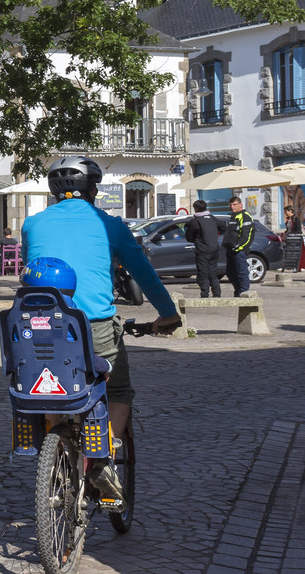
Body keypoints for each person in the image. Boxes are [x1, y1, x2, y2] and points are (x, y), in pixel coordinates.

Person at [22, 156, 181, 502]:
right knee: (119, 390)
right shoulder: (110, 225)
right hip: (92, 326)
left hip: (39, 327)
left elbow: (30, 270)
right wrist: (168, 313)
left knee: (52, 385)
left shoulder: (32, 224)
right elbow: (143, 274)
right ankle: (101, 462)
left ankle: (59, 454)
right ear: (93, 189)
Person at [184, 200, 224, 298]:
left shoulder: (195, 222)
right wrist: (215, 234)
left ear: (196, 209)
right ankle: (217, 293)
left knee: (203, 272)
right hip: (214, 249)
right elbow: (223, 227)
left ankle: (205, 294)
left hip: (202, 251)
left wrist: (196, 240)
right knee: (213, 272)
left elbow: (189, 236)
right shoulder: (212, 218)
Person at [224, 195, 255, 296]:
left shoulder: (245, 217)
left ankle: (244, 294)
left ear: (240, 205)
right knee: (230, 273)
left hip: (239, 251)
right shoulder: (233, 216)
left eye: (234, 205)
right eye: (230, 205)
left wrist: (238, 246)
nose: (232, 207)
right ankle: (238, 292)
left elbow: (247, 236)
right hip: (230, 250)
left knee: (242, 274)